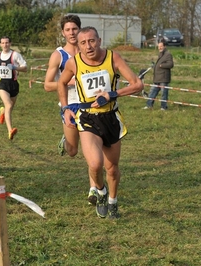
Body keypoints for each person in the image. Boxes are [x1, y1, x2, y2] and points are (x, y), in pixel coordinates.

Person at [57, 26, 144, 219]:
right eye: (83, 43)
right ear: (78, 46)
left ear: (99, 40)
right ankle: (101, 191)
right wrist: (66, 109)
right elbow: (61, 83)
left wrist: (112, 94)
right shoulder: (74, 63)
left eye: (92, 41)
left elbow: (138, 84)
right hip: (87, 118)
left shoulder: (113, 58)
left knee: (112, 168)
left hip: (110, 117)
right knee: (95, 165)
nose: (88, 46)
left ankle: (113, 202)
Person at [44, 15, 99, 205]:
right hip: (70, 106)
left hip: (91, 106)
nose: (72, 33)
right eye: (68, 30)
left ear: (80, 29)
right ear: (63, 33)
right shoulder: (58, 55)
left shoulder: (88, 51)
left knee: (91, 150)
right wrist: (69, 82)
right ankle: (65, 141)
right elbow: (47, 85)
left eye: (74, 29)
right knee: (73, 150)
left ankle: (94, 189)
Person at [0, 36, 28, 140]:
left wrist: (15, 67)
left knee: (10, 108)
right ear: (0, 44)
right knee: (8, 104)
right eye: (3, 43)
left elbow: (25, 68)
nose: (5, 45)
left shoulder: (15, 55)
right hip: (2, 83)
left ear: (10, 43)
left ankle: (2, 111)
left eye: (7, 43)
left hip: (13, 84)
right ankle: (10, 130)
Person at [143, 39, 174, 110]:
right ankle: (149, 105)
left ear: (165, 46)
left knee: (164, 94)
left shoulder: (168, 54)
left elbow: (170, 64)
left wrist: (161, 65)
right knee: (152, 92)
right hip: (157, 78)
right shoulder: (160, 54)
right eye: (158, 46)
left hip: (163, 78)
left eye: (161, 46)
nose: (159, 48)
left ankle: (163, 107)